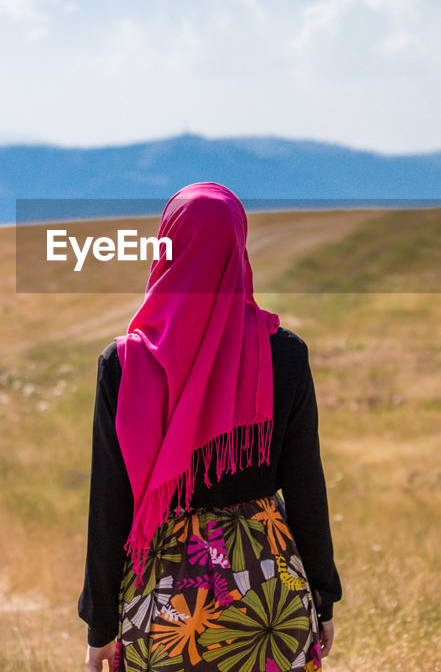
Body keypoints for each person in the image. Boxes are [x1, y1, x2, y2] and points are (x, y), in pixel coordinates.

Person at [79, 182, 342, 671]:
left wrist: (100, 627)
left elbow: (109, 505)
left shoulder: (123, 364)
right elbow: (306, 485)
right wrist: (324, 595)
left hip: (163, 607)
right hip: (269, 593)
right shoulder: (284, 354)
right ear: (238, 249)